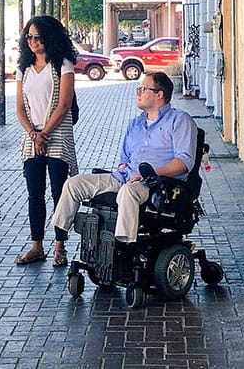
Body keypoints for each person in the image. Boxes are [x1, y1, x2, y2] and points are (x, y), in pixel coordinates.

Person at [52, 71, 198, 243]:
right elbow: (125, 157)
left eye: (143, 89)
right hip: (125, 177)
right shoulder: (135, 124)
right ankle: (60, 238)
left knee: (127, 192)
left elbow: (184, 162)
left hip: (156, 184)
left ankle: (124, 245)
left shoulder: (179, 120)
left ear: (159, 94)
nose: (138, 93)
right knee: (73, 183)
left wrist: (152, 174)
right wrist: (123, 166)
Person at [14, 14, 78, 267]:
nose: (32, 41)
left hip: (58, 135)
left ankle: (60, 246)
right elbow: (19, 108)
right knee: (34, 193)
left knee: (59, 192)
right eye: (28, 37)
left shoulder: (63, 65)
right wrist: (34, 134)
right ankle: (36, 246)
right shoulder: (24, 69)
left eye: (37, 37)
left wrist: (45, 134)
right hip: (32, 137)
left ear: (49, 37)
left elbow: (63, 105)